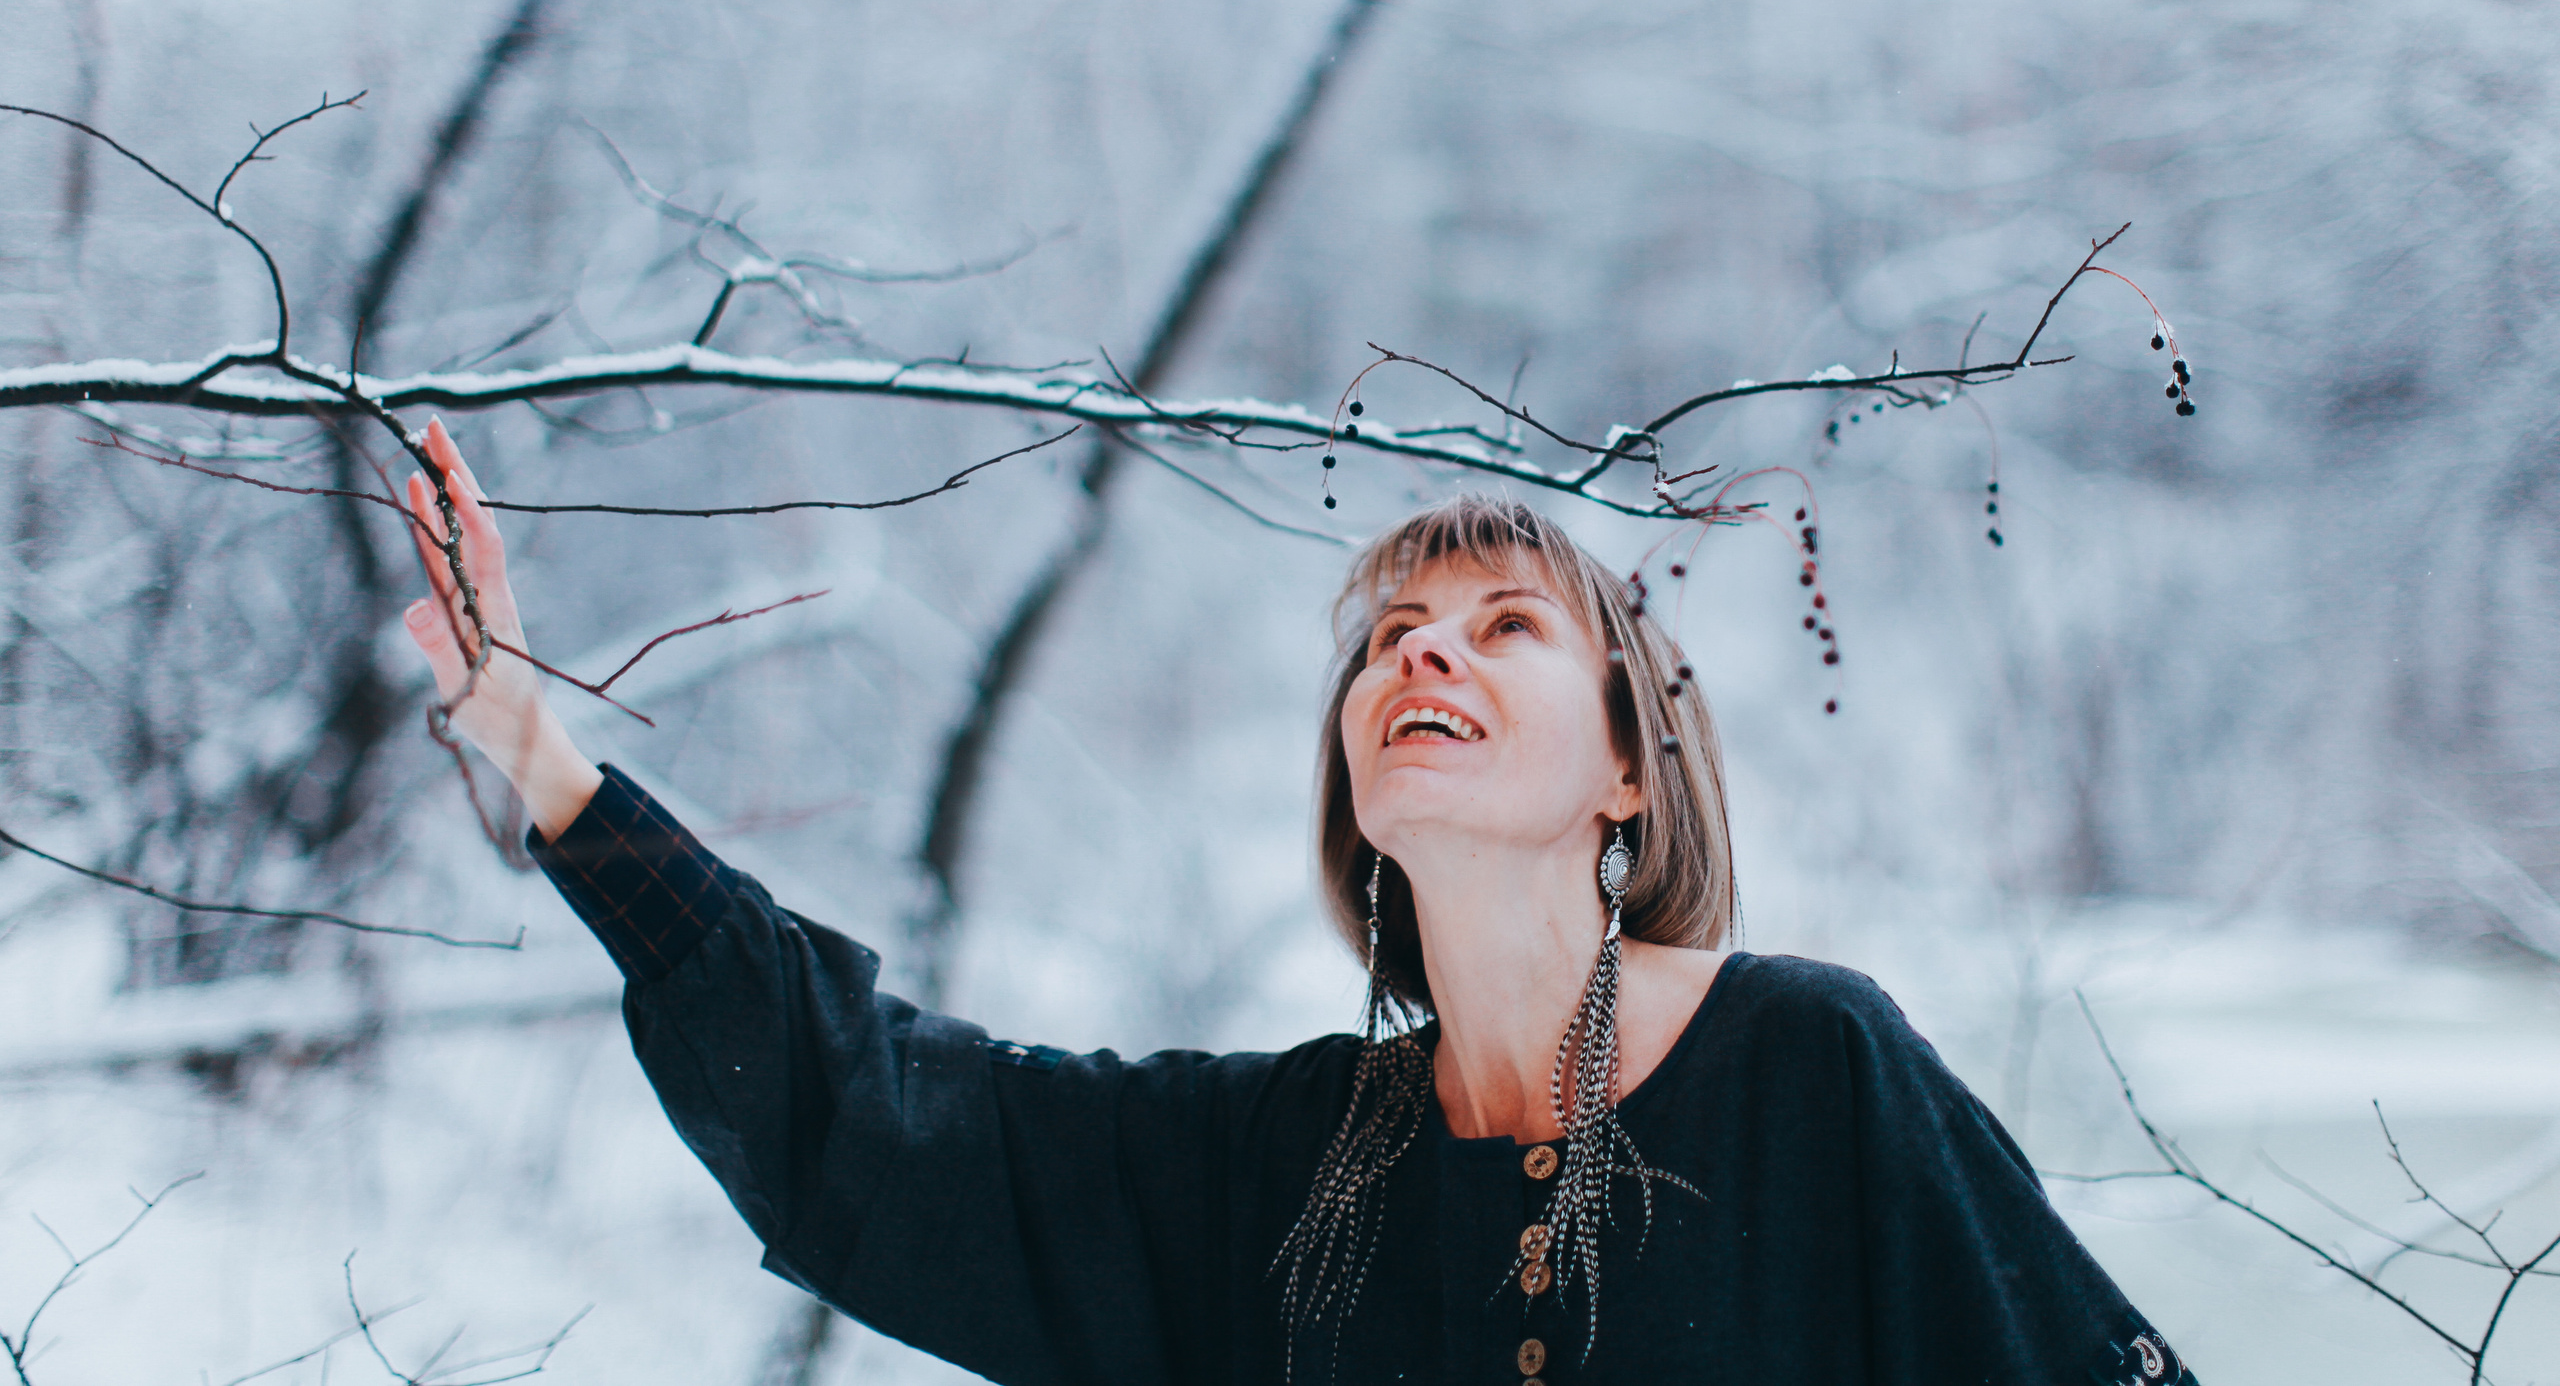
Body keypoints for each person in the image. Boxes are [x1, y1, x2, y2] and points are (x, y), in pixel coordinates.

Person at [399, 418, 2199, 1386]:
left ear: (1627, 772)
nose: (1423, 653)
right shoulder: (1285, 1169)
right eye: (1392, 635)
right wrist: (545, 759)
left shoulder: (1810, 1069)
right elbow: (869, 1117)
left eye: (1504, 626)